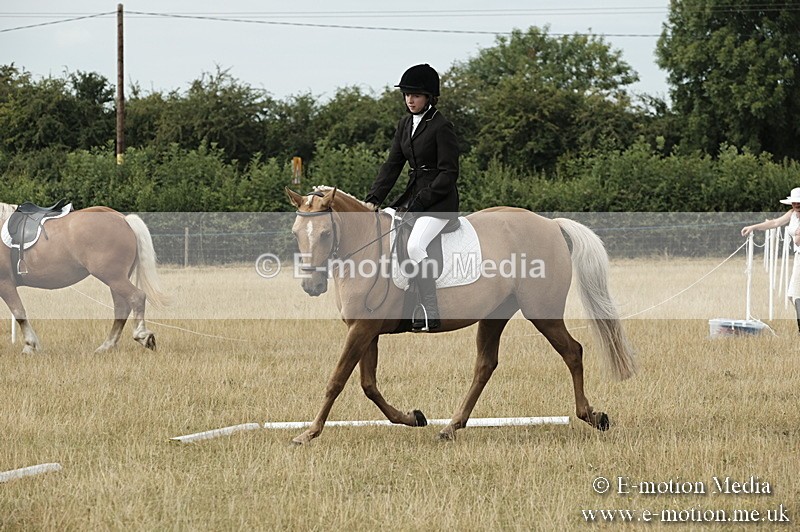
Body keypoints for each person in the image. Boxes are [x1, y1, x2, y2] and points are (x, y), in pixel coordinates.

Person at [364, 63, 459, 332]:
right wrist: (373, 199)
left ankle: (429, 308)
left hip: (439, 202)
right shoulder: (405, 124)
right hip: (412, 197)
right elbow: (393, 165)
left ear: (429, 97)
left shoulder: (442, 126)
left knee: (416, 245)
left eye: (415, 95)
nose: (410, 100)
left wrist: (423, 200)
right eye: (406, 94)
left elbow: (449, 173)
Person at [741, 187, 800, 333]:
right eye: (794, 202)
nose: (796, 205)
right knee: (792, 295)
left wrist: (797, 237)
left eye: (799, 202)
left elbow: (798, 240)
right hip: (798, 257)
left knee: (796, 295)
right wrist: (753, 227)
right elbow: (775, 223)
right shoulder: (792, 214)